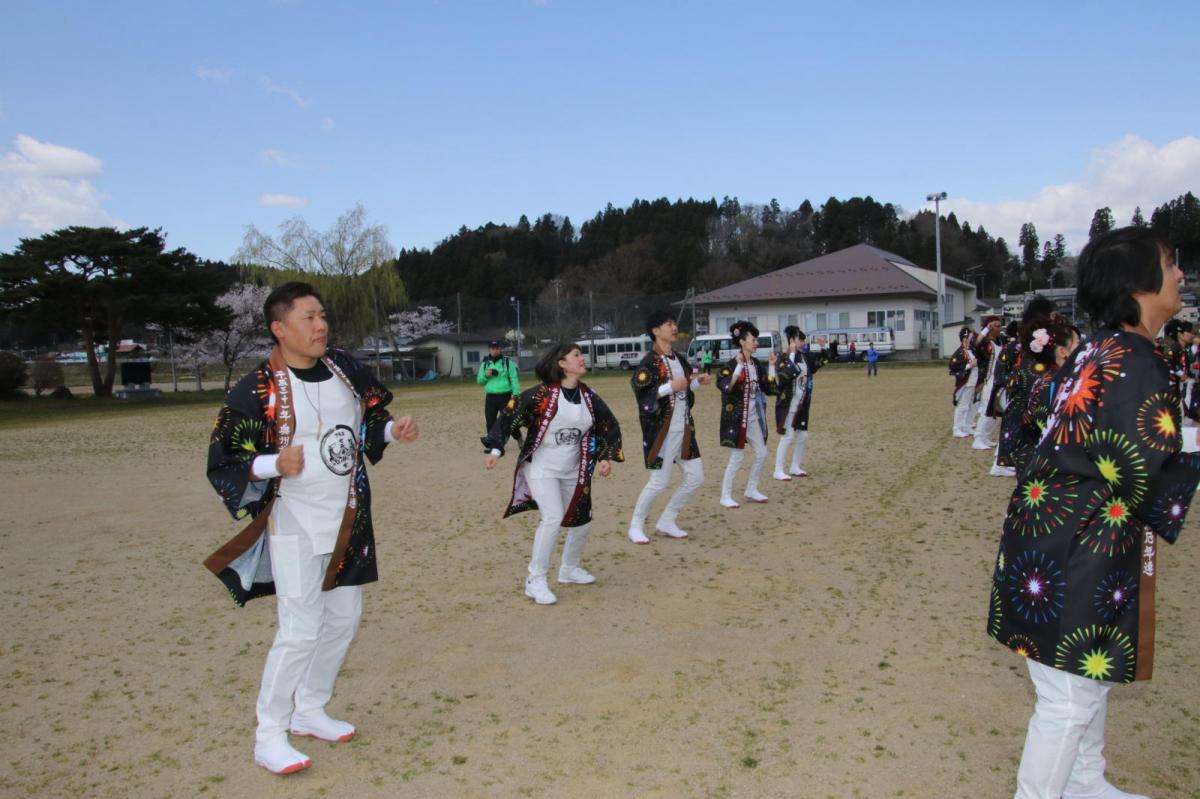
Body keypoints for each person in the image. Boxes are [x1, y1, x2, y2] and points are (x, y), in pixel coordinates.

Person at [987, 227, 1199, 799]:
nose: (1179, 274)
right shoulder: (1133, 361)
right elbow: (1141, 470)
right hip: (1077, 549)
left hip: (1050, 539)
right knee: (1068, 699)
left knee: (1083, 683)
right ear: (1139, 284)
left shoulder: (1096, 350)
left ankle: (1086, 785)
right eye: (1169, 263)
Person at [204, 282, 419, 775]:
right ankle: (269, 735)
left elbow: (365, 422)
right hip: (294, 520)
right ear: (279, 329)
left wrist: (390, 431)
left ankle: (310, 708)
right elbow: (223, 461)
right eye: (308, 317)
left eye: (321, 315)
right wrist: (272, 463)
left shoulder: (345, 369)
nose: (320, 325)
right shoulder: (255, 389)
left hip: (348, 516)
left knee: (344, 619)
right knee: (300, 630)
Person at [484, 343, 623, 605]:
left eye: (581, 355)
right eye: (576, 355)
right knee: (553, 517)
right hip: (542, 468)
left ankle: (569, 569)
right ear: (562, 364)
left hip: (574, 469)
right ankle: (534, 580)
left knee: (583, 520)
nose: (582, 359)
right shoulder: (542, 395)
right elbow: (510, 413)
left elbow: (608, 424)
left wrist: (605, 456)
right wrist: (495, 448)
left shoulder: (590, 397)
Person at [627, 310, 712, 544]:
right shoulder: (649, 363)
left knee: (696, 477)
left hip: (684, 430)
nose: (674, 327)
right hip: (660, 433)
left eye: (674, 323)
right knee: (659, 482)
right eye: (668, 324)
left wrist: (695, 383)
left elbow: (683, 388)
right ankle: (635, 525)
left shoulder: (679, 358)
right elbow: (642, 394)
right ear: (655, 331)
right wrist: (669, 387)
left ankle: (667, 519)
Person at [993, 296, 1058, 476]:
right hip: (1034, 430)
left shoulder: (1028, 354)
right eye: (1053, 316)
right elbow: (1001, 372)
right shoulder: (1028, 357)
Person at [1006, 317, 1080, 474]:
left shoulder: (1061, 378)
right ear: (1062, 351)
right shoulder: (1050, 384)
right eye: (1078, 344)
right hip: (1046, 465)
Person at [717, 320, 778, 507]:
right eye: (753, 339)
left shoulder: (756, 364)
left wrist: (772, 366)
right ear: (742, 342)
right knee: (737, 457)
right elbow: (725, 386)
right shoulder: (730, 364)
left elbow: (768, 387)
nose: (756, 343)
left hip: (753, 417)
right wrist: (738, 366)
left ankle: (751, 488)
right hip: (736, 418)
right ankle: (725, 495)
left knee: (761, 453)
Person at [773, 326, 831, 480]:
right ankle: (778, 469)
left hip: (803, 403)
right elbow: (785, 375)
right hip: (788, 405)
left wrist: (823, 346)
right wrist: (791, 354)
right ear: (792, 340)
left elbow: (822, 361)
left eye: (803, 340)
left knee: (803, 436)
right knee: (787, 436)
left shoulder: (805, 357)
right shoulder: (782, 358)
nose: (802, 342)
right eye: (800, 339)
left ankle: (795, 466)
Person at [477, 339, 521, 441]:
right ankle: (492, 442)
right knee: (490, 421)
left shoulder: (508, 363)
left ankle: (519, 438)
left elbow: (514, 379)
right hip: (490, 397)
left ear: (500, 349)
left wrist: (516, 395)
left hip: (505, 396)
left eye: (497, 348)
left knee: (509, 420)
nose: (495, 351)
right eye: (493, 349)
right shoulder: (485, 364)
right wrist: (486, 375)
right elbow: (479, 381)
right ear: (489, 350)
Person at [971, 315, 1004, 450]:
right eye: (995, 325)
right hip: (987, 380)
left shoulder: (1000, 341)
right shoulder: (985, 344)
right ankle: (978, 438)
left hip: (997, 379)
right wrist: (985, 330)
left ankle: (986, 437)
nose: (998, 328)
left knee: (994, 410)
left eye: (999, 325)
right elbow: (975, 344)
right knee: (986, 409)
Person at [949, 325, 979, 437]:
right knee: (962, 405)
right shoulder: (960, 353)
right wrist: (970, 365)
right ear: (965, 338)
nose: (972, 339)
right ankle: (957, 428)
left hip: (974, 382)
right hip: (966, 382)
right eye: (970, 337)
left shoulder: (971, 350)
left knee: (972, 405)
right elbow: (953, 367)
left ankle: (967, 426)